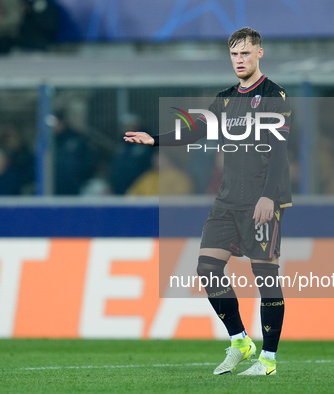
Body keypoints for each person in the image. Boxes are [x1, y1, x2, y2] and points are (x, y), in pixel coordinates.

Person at [124, 27, 291, 376]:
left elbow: (278, 153)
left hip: (260, 201)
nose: (239, 60)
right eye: (234, 54)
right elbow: (197, 129)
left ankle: (269, 361)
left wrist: (268, 197)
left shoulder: (274, 95)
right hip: (227, 201)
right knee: (207, 268)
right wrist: (155, 140)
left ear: (259, 53)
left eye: (245, 53)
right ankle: (240, 340)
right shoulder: (226, 98)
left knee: (265, 277)